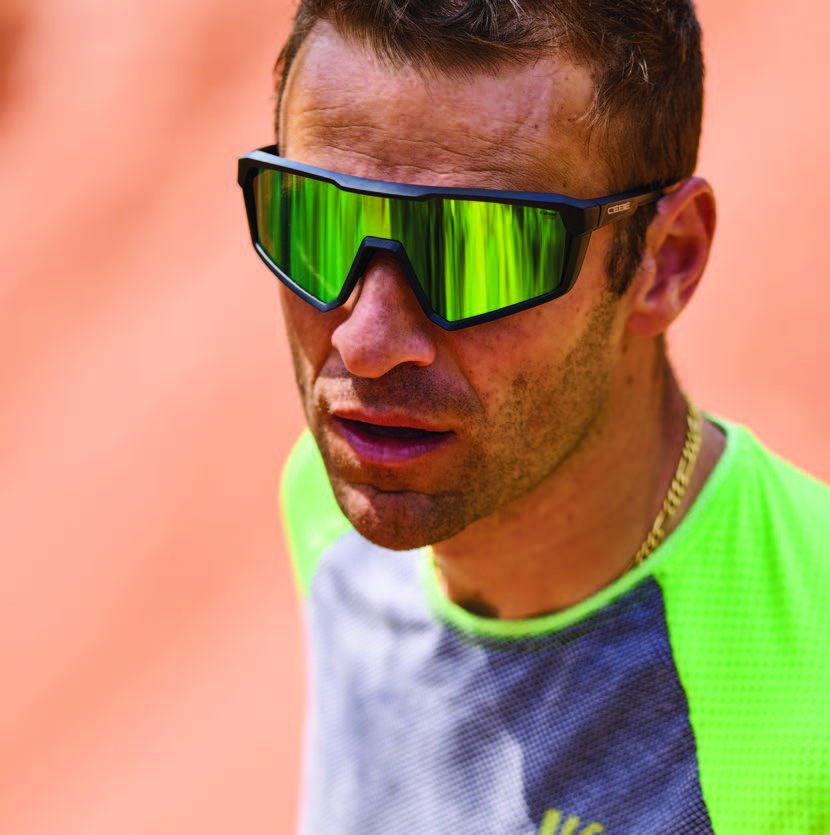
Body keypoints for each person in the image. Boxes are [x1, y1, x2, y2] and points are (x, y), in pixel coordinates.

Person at [237, 1, 830, 832]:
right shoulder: (338, 503)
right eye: (316, 219)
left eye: (480, 251)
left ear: (666, 260)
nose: (365, 344)